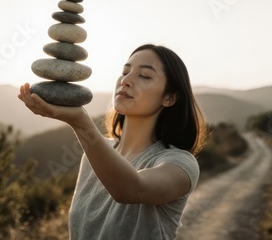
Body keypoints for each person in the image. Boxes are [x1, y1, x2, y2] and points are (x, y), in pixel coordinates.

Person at [18, 44, 206, 239]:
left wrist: (80, 122)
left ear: (169, 98)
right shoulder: (96, 154)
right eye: (125, 71)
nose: (126, 80)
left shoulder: (181, 164)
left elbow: (132, 189)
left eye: (145, 76)